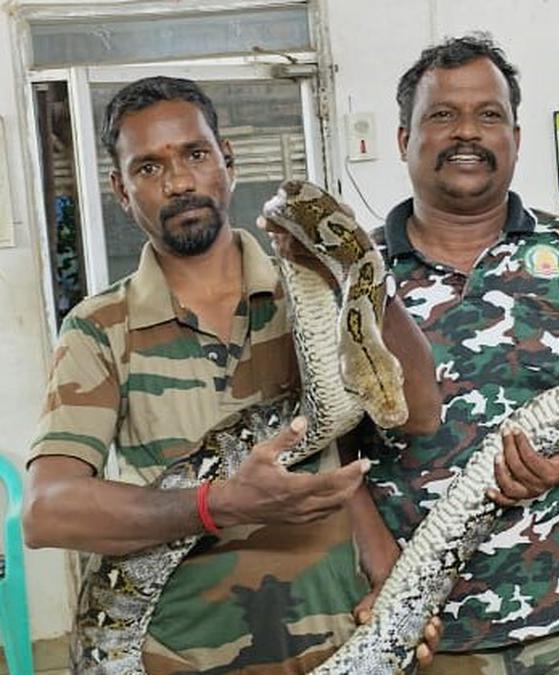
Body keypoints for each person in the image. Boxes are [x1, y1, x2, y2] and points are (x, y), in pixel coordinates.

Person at [23, 76, 443, 673]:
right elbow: (48, 511)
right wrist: (219, 504)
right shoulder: (99, 328)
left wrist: (355, 266)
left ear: (229, 162)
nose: (178, 181)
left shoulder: (309, 290)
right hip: (183, 656)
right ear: (120, 190)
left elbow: (407, 422)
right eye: (147, 167)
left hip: (336, 643)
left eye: (195, 154)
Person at [359, 34, 559, 674]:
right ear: (403, 139)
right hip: (417, 636)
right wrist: (384, 584)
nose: (467, 133)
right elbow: (327, 460)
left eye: (489, 115)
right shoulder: (357, 279)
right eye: (442, 115)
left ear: (515, 133)